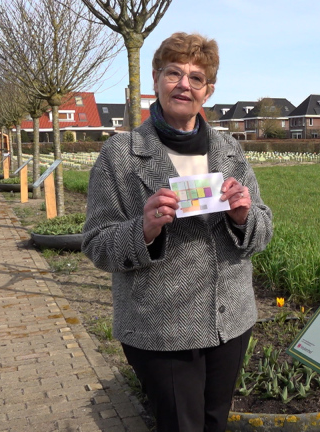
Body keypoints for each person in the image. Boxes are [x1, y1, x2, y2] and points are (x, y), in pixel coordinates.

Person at [82, 32, 273, 432]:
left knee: (215, 423)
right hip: (161, 329)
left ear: (208, 91)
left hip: (230, 322)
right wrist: (143, 230)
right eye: (173, 73)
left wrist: (243, 217)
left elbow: (263, 231)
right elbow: (96, 244)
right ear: (155, 80)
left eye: (196, 78)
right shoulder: (120, 155)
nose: (184, 84)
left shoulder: (230, 150)